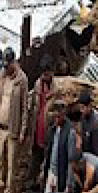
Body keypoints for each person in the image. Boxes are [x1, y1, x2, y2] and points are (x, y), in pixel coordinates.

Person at [0, 48, 29, 193]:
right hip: (0, 126)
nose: (6, 69)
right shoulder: (1, 75)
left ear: (14, 62)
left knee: (11, 164)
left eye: (8, 66)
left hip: (13, 128)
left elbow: (25, 107)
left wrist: (22, 130)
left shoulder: (22, 80)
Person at [29, 57, 56, 186]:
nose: (44, 76)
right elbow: (33, 106)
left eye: (47, 73)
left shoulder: (56, 91)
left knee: (46, 162)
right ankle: (31, 184)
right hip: (36, 128)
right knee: (34, 160)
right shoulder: (38, 85)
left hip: (48, 131)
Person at [41, 102, 76, 193]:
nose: (56, 120)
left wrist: (68, 183)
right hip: (51, 171)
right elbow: (49, 151)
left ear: (63, 115)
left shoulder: (70, 132)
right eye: (55, 117)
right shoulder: (53, 129)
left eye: (58, 117)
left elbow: (70, 160)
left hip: (60, 174)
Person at [77, 90, 98, 161]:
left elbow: (97, 154)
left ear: (89, 106)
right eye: (80, 108)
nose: (81, 111)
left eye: (83, 108)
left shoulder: (96, 125)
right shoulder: (83, 118)